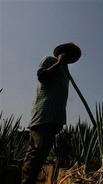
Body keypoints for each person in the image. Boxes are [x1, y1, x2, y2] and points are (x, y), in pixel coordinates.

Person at [21, 42, 81, 184]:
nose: (70, 56)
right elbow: (42, 76)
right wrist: (59, 63)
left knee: (41, 156)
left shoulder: (66, 72)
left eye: (72, 55)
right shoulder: (49, 60)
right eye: (69, 53)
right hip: (43, 115)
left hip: (55, 118)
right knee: (35, 154)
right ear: (62, 52)